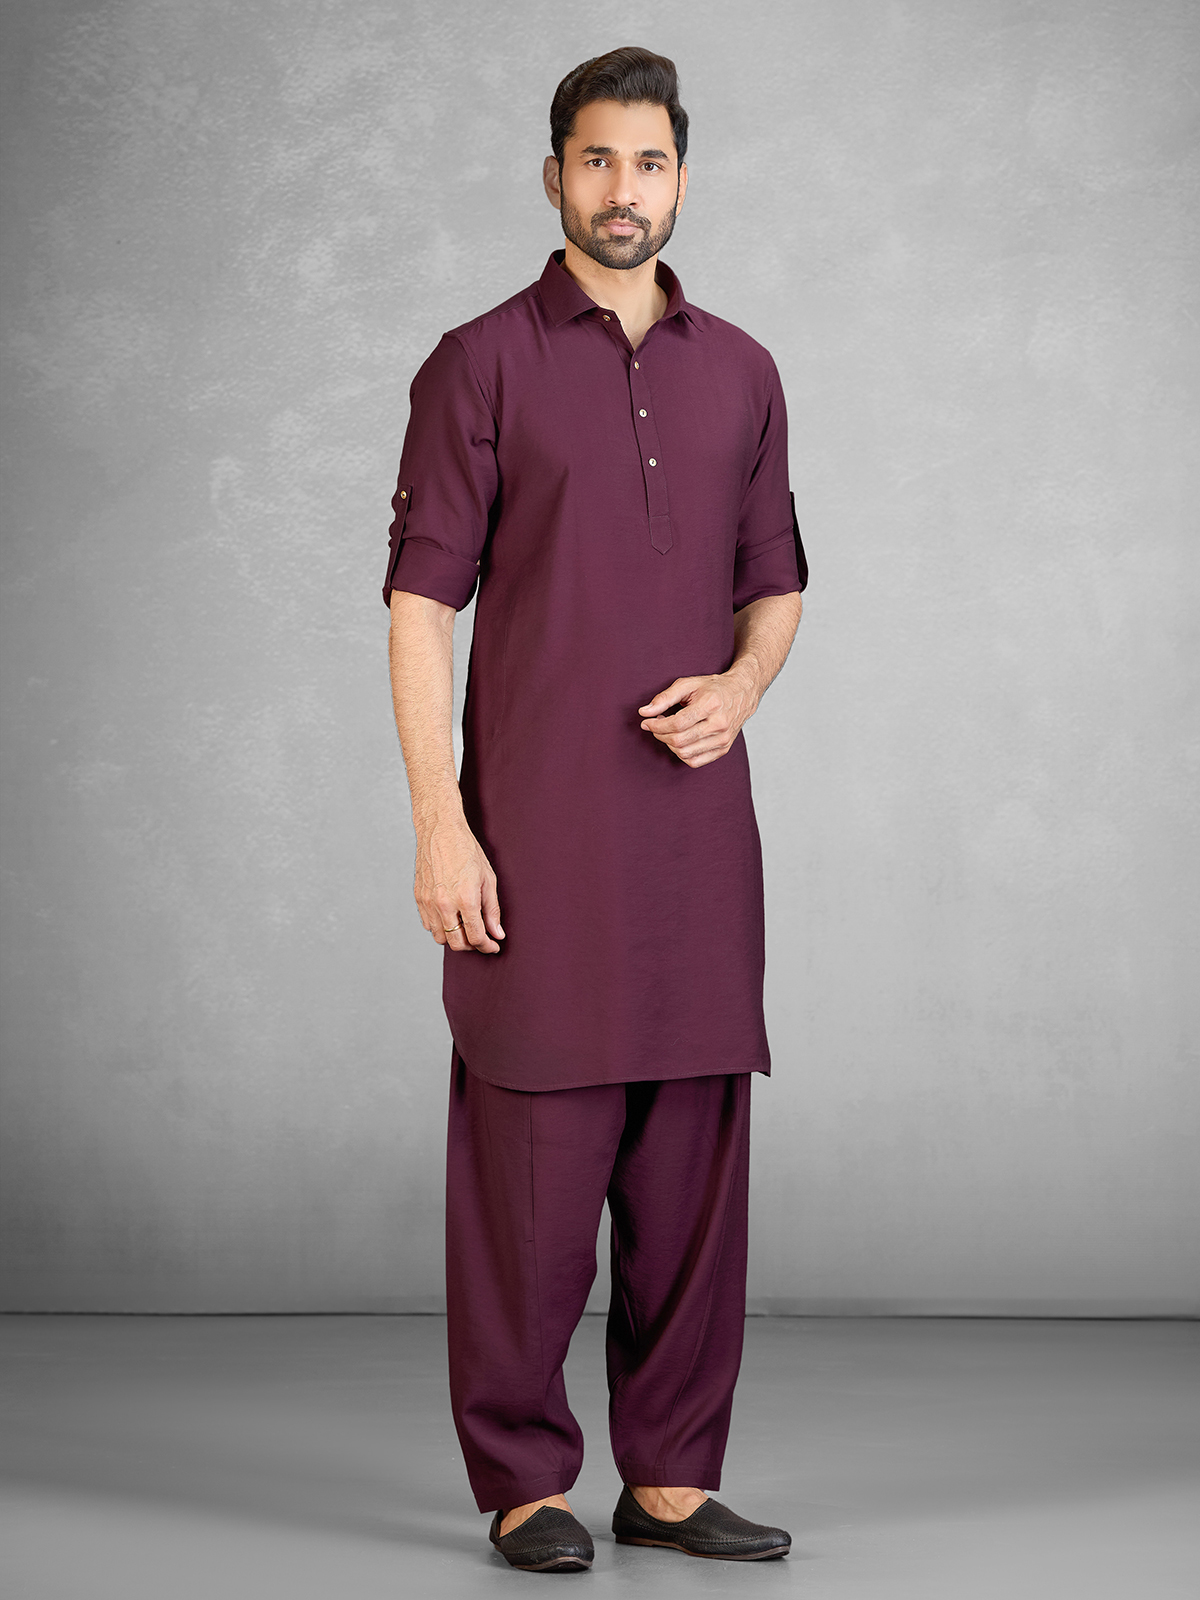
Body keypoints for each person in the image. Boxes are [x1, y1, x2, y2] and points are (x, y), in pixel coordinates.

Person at [384, 45, 806, 1573]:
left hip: (696, 848)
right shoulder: (478, 363)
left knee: (691, 1175)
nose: (624, 190)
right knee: (531, 1180)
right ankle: (523, 1482)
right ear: (553, 173)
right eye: (597, 159)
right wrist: (441, 822)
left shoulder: (742, 369)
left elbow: (776, 580)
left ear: (682, 178)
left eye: (650, 162)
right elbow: (419, 607)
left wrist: (743, 686)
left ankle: (672, 1482)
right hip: (538, 843)